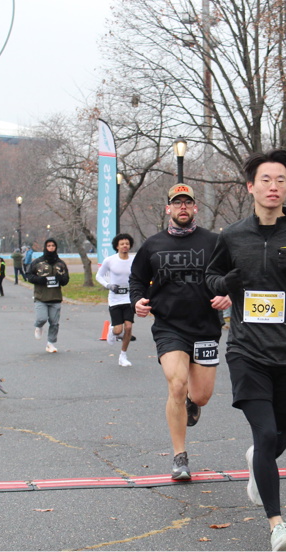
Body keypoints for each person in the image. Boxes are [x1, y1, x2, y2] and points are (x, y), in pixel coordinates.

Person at [205, 150, 286, 552]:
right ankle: (277, 526)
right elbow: (211, 277)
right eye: (266, 179)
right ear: (251, 187)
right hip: (247, 350)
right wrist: (224, 283)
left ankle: (258, 461)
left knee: (278, 437)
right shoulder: (232, 236)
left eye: (280, 180)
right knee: (264, 435)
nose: (273, 186)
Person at [130, 185, 231, 481]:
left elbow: (234, 274)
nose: (182, 207)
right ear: (168, 209)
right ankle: (180, 456)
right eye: (177, 203)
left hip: (206, 327)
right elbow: (137, 279)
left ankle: (192, 402)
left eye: (187, 202)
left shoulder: (214, 242)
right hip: (169, 326)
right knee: (176, 384)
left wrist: (229, 295)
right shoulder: (153, 245)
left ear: (195, 207)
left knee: (201, 396)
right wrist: (137, 300)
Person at [24, 238, 69, 353]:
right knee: (42, 318)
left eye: (53, 246)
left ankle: (50, 343)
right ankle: (38, 326)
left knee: (54, 323)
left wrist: (60, 279)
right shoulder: (38, 262)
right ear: (45, 247)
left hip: (55, 297)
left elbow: (66, 279)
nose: (51, 248)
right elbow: (28, 275)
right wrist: (39, 279)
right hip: (41, 297)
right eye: (49, 246)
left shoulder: (60, 263)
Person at [98, 233, 136, 367]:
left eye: (127, 243)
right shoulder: (110, 260)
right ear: (117, 246)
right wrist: (108, 285)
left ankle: (123, 355)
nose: (125, 246)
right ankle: (112, 330)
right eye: (122, 244)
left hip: (129, 298)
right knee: (118, 330)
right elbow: (99, 276)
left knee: (129, 327)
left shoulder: (134, 260)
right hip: (115, 299)